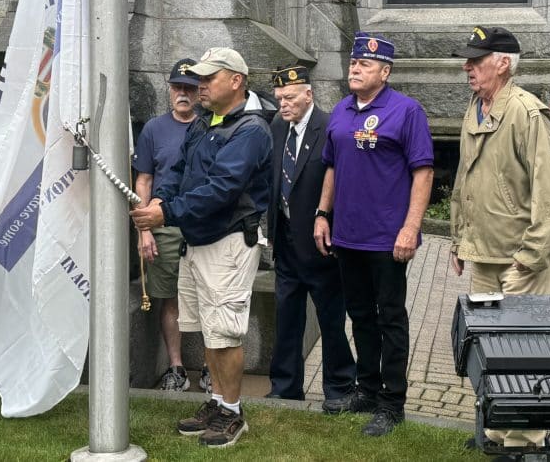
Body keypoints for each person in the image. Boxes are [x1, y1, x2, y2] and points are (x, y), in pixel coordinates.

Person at [129, 47, 271, 448]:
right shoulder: (206, 121)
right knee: (209, 331)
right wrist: (160, 200)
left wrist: (165, 213)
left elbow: (221, 190)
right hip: (198, 240)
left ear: (236, 81)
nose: (199, 86)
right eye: (198, 79)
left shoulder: (251, 131)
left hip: (227, 243)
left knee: (225, 333)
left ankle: (233, 411)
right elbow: (178, 171)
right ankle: (216, 401)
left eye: (209, 79)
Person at [449, 26, 550, 456]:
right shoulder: (476, 107)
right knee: (491, 351)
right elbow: (465, 179)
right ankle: (499, 433)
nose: (467, 67)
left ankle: (529, 445)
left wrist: (530, 258)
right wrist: (460, 239)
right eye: (469, 61)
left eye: (476, 61)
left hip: (522, 259)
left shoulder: (528, 113)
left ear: (502, 63)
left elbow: (549, 194)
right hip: (485, 254)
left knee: (526, 353)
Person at [313, 32, 434, 437]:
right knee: (360, 316)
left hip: (387, 239)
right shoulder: (341, 111)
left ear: (384, 72)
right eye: (353, 63)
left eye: (364, 64)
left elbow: (423, 172)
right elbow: (331, 167)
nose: (355, 69)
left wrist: (411, 228)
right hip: (347, 237)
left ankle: (392, 403)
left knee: (391, 320)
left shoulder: (406, 111)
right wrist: (322, 213)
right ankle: (366, 389)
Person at [265, 65, 356, 411]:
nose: (283, 104)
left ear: (308, 94)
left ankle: (339, 386)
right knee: (287, 317)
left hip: (321, 245)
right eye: (278, 99)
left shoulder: (330, 126)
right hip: (286, 243)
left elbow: (342, 183)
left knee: (331, 319)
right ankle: (285, 388)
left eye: (289, 98)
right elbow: (277, 178)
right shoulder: (277, 126)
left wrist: (328, 221)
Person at [132, 58, 200, 391]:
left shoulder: (211, 127)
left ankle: (211, 368)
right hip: (163, 226)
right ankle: (177, 369)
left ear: (200, 91)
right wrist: (143, 229)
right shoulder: (154, 129)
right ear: (169, 89)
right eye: (178, 87)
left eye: (190, 88)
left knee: (206, 297)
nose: (183, 94)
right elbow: (143, 180)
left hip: (203, 225)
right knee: (169, 299)